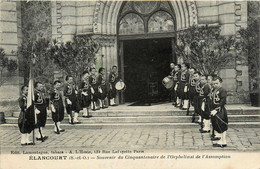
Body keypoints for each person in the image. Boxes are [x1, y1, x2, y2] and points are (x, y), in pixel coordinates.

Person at [210, 76, 228, 147]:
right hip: (214, 109)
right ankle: (221, 140)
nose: (215, 85)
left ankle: (223, 141)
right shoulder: (213, 90)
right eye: (213, 84)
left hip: (220, 110)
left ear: (220, 83)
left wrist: (216, 109)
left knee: (221, 124)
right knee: (215, 124)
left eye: (216, 83)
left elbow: (223, 101)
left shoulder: (222, 90)